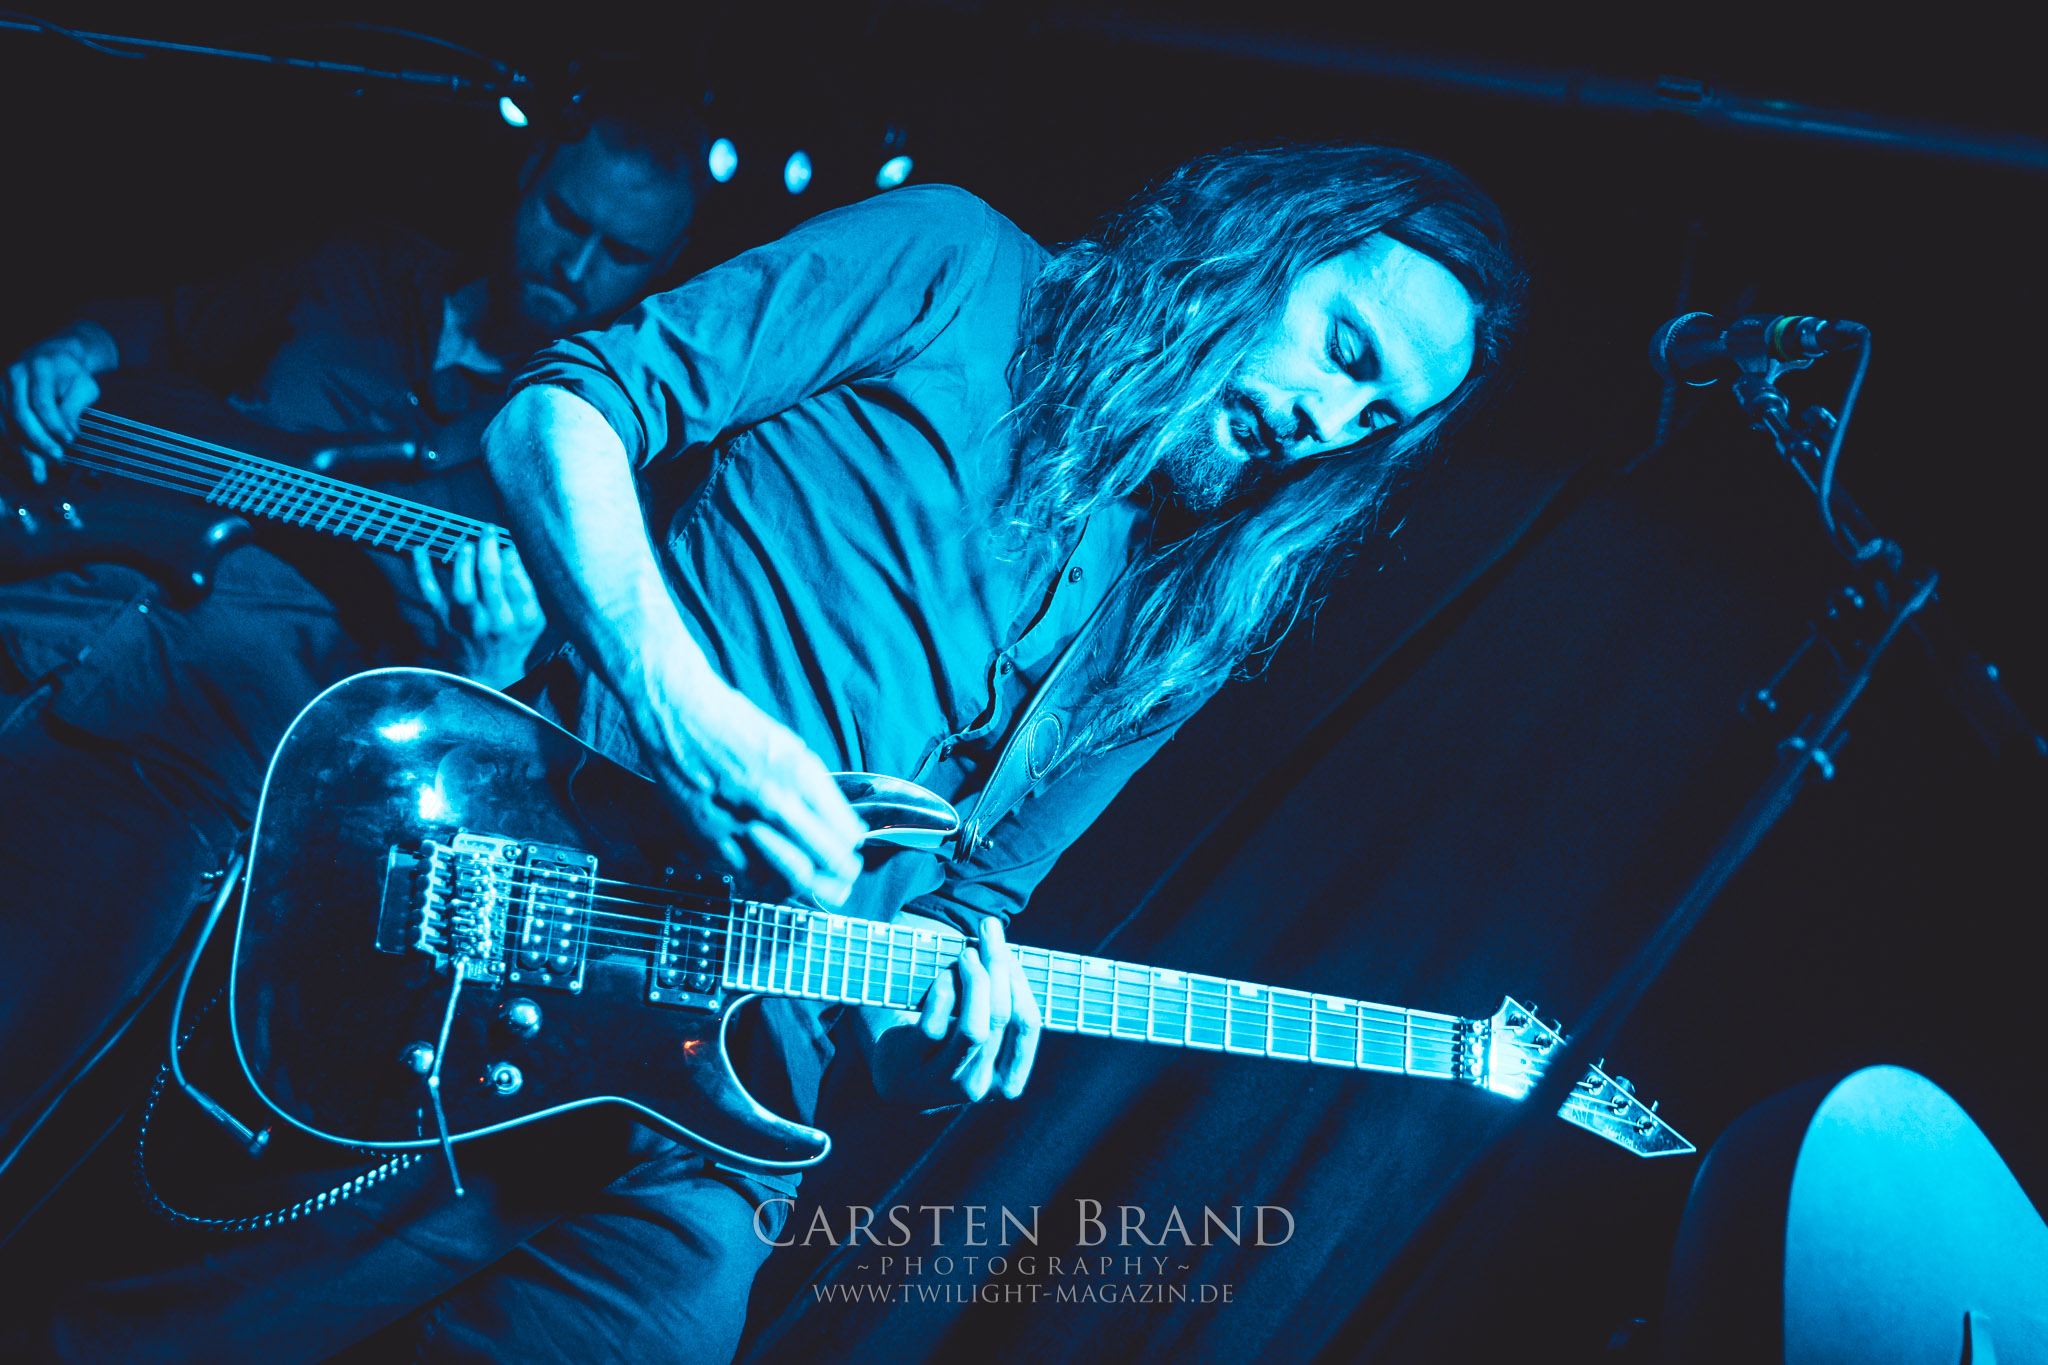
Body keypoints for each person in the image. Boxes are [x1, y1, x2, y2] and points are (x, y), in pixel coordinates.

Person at [3, 141, 1522, 1363]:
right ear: (1259, 244)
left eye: (1373, 415)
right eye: (1343, 347)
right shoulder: (954, 266)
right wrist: (682, 709)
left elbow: (959, 919)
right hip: (526, 950)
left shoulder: (1183, 623)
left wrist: (934, 1054)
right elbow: (561, 414)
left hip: (725, 1126)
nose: (1325, 418)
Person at [0, 77, 708, 1167]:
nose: (574, 265)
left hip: (168, 774)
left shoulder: (593, 491)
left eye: (621, 253)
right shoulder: (364, 268)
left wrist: (484, 671)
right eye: (565, 217)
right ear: (529, 172)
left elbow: (477, 780)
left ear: (666, 266)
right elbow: (172, 322)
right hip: (45, 604)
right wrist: (76, 349)